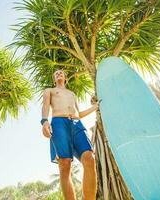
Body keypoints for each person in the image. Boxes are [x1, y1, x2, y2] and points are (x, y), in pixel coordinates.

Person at [41, 69, 98, 200]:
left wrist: (95, 107)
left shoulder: (72, 94)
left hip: (76, 123)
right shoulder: (49, 91)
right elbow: (45, 106)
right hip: (58, 123)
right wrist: (44, 121)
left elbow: (79, 114)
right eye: (55, 73)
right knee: (65, 164)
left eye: (61, 73)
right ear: (54, 79)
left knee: (89, 158)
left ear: (65, 77)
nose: (58, 74)